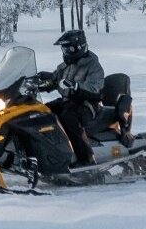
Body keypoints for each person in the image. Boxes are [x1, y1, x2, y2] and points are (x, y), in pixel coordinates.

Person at [43, 30, 105, 168]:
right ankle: (51, 153)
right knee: (42, 112)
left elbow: (95, 88)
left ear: (78, 47)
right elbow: (55, 79)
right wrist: (38, 81)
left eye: (68, 48)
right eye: (64, 48)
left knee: (68, 117)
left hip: (89, 105)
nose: (65, 52)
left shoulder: (93, 65)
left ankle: (86, 158)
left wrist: (76, 86)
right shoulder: (67, 64)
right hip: (68, 101)